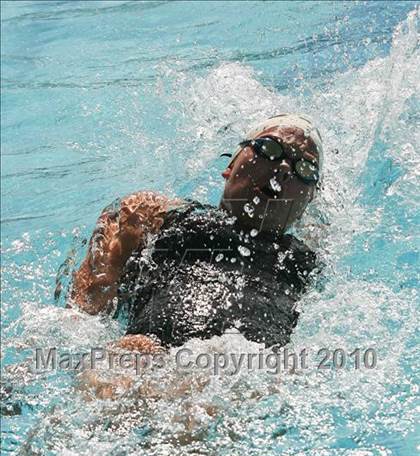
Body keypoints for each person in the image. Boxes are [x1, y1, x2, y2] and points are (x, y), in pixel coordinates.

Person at [69, 113, 323, 353]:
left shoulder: (307, 260)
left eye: (306, 170)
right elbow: (83, 313)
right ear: (231, 165)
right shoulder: (150, 215)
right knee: (134, 351)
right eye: (269, 148)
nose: (284, 169)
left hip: (252, 375)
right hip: (149, 358)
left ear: (306, 205)